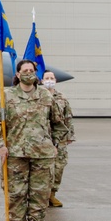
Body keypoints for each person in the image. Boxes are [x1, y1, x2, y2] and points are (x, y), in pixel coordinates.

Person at [0, 60, 69, 221]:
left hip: (42, 155)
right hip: (16, 154)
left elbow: (58, 123)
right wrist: (1, 145)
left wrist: (55, 144)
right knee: (16, 194)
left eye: (32, 70)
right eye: (25, 70)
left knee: (39, 195)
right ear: (17, 74)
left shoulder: (46, 96)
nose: (28, 73)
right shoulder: (7, 97)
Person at [41, 71, 75, 207]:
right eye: (46, 78)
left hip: (59, 138)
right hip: (42, 138)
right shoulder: (37, 96)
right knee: (42, 168)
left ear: (55, 80)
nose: (49, 80)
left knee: (59, 167)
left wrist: (69, 136)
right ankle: (41, 196)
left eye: (51, 78)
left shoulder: (61, 97)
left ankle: (52, 194)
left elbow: (68, 117)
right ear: (42, 80)